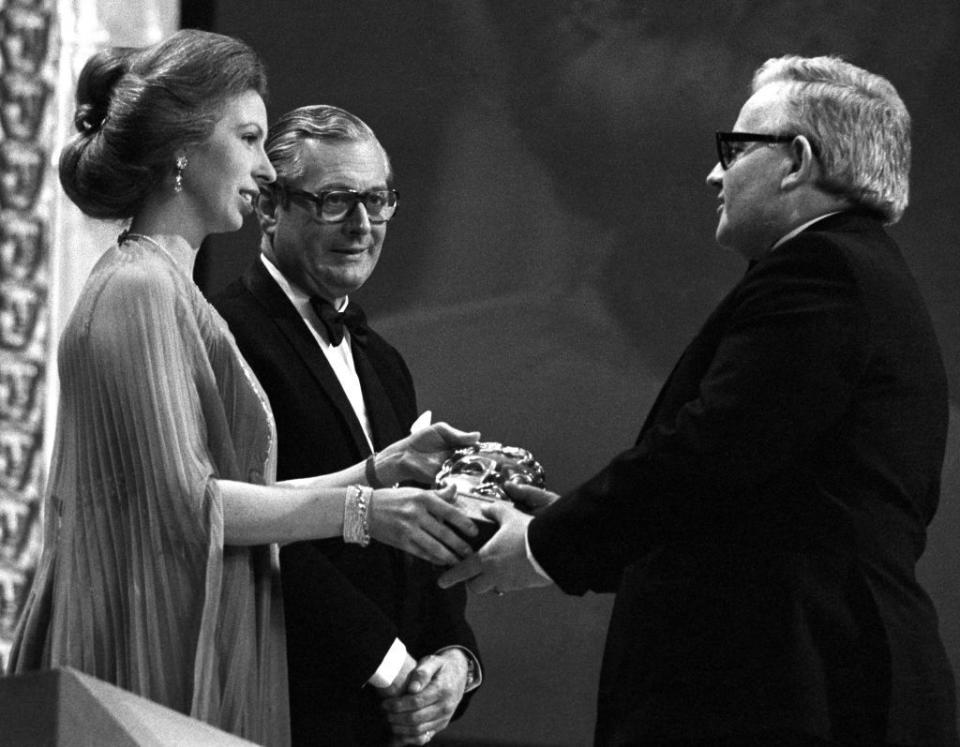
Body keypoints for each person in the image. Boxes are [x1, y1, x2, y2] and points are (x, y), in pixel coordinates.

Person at [441, 55, 959, 746]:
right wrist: (575, 518)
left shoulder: (824, 272)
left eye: (735, 149)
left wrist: (542, 545)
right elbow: (753, 503)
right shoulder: (855, 272)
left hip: (795, 692)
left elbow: (709, 454)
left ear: (797, 160)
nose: (715, 174)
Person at [6, 30, 480, 747]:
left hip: (179, 630)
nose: (263, 168)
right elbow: (187, 506)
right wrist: (365, 507)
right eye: (251, 138)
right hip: (145, 641)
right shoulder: (140, 288)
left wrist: (379, 472)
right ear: (184, 150)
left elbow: (222, 485)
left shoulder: (172, 293)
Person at [212, 104, 480, 747]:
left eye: (378, 200)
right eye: (335, 200)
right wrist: (390, 668)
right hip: (278, 710)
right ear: (270, 207)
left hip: (384, 723)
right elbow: (240, 523)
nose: (363, 225)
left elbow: (417, 535)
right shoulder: (223, 333)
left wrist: (453, 661)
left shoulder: (384, 362)